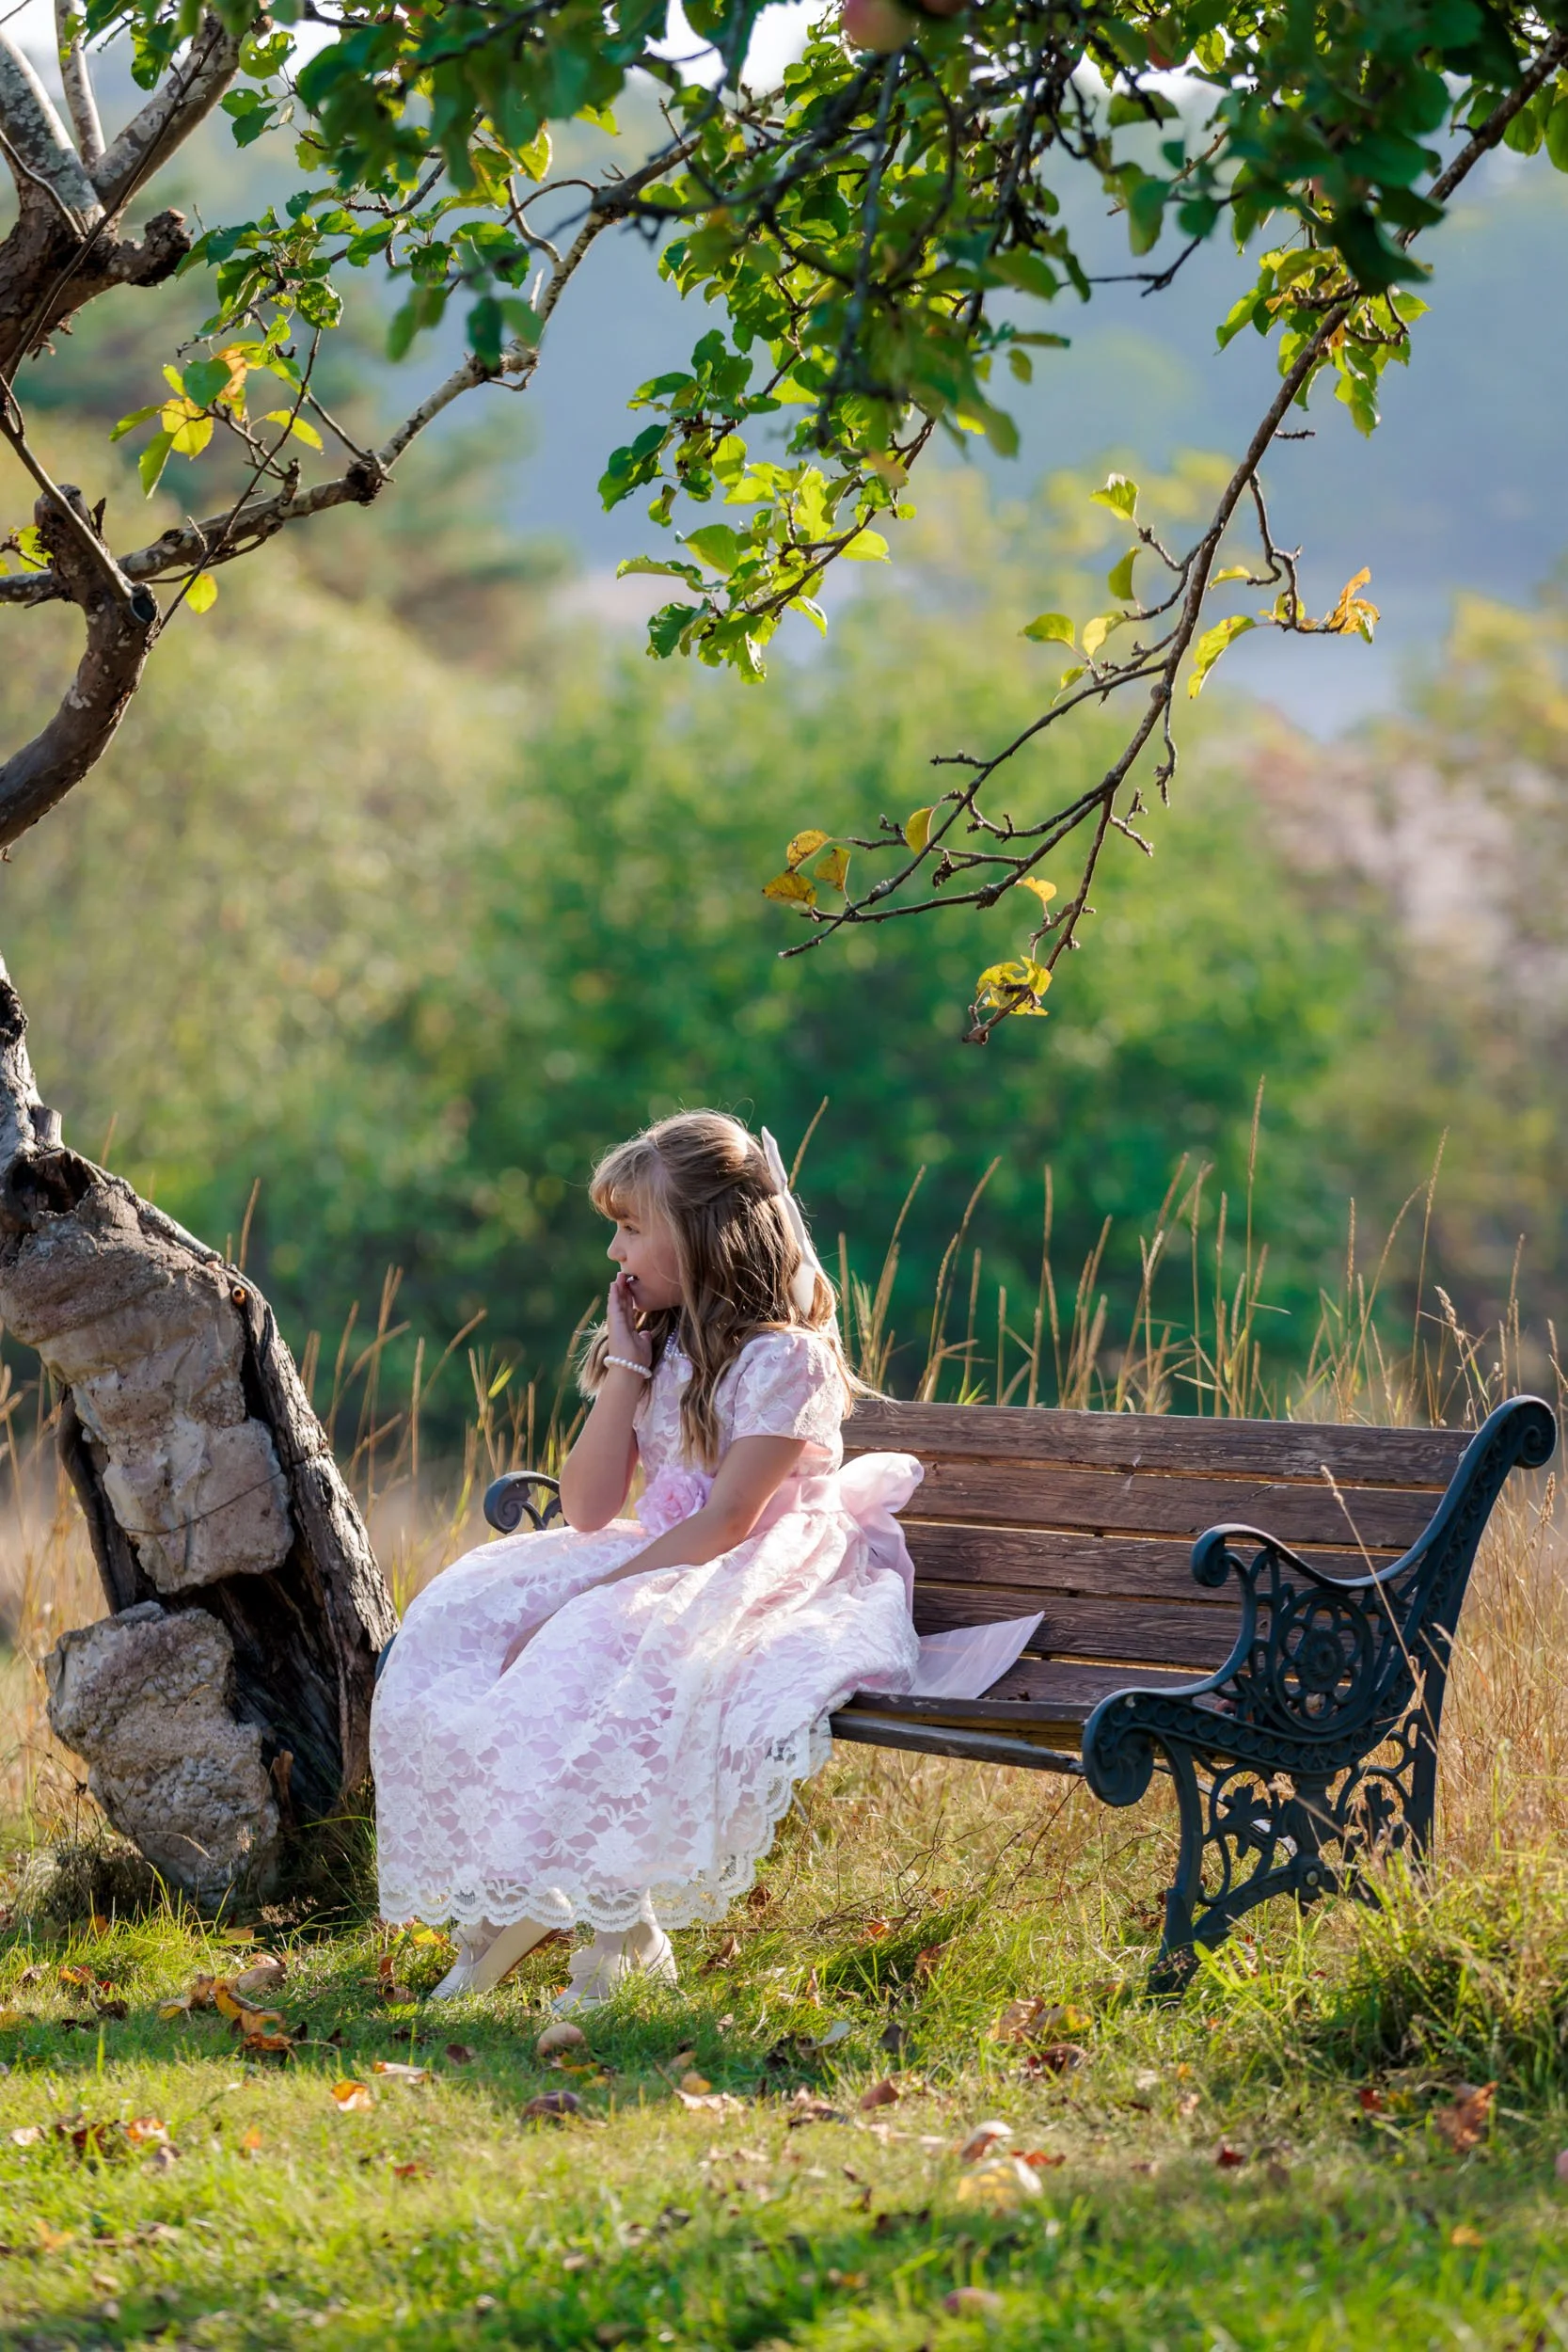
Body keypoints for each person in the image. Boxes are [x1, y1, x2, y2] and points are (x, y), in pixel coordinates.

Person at [372, 1111, 1038, 2009]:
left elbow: (728, 1521)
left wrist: (588, 1600)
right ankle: (534, 1892)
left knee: (599, 1641)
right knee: (463, 1622)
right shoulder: (664, 1347)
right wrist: (626, 1368)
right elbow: (589, 1509)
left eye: (630, 1226)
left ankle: (599, 1922)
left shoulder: (786, 1360)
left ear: (701, 1235)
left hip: (762, 1563)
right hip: (666, 1553)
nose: (614, 1249)